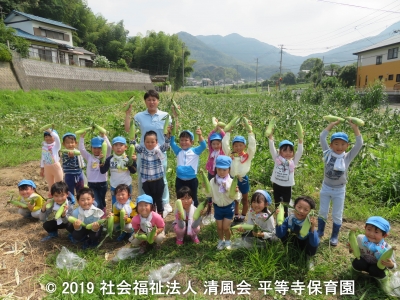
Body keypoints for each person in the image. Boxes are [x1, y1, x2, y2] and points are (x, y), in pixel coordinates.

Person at [124, 90, 172, 218]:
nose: (151, 102)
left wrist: (175, 115)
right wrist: (128, 114)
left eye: (154, 99)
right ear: (145, 101)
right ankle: (143, 200)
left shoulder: (165, 115)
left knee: (162, 178)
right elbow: (129, 129)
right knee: (142, 176)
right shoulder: (139, 116)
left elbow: (171, 130)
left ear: (158, 101)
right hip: (144, 152)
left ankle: (165, 202)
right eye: (149, 100)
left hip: (160, 151)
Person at [318, 120, 363, 246]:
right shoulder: (327, 153)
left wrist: (355, 128)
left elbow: (359, 143)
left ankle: (334, 236)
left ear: (347, 146)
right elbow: (322, 136)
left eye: (343, 144)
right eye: (336, 143)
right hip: (326, 187)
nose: (339, 146)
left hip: (339, 190)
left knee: (337, 214)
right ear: (331, 145)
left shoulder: (347, 157)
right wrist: (331, 125)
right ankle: (320, 231)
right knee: (322, 211)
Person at [222, 120, 256, 224]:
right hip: (232, 179)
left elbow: (252, 146)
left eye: (241, 145)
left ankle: (243, 216)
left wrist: (250, 132)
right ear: (233, 147)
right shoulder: (230, 155)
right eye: (236, 145)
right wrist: (228, 132)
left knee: (245, 199)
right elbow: (224, 144)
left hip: (243, 179)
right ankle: (236, 216)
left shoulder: (247, 156)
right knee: (235, 198)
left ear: (244, 146)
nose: (238, 147)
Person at [268, 128, 304, 217]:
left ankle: (285, 220)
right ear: (280, 152)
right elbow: (271, 148)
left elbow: (300, 151)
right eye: (285, 151)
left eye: (290, 151)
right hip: (276, 185)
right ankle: (278, 222)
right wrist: (270, 136)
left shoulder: (293, 162)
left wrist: (300, 140)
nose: (288, 153)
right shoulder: (277, 159)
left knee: (286, 205)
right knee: (277, 204)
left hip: (287, 187)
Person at [134, 130, 170, 216]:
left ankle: (160, 218)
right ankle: (152, 217)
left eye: (152, 142)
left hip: (158, 180)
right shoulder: (142, 150)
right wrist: (133, 136)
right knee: (150, 200)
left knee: (159, 200)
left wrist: (167, 137)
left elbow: (166, 146)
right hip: (147, 182)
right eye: (147, 142)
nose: (150, 144)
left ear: (156, 142)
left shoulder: (159, 150)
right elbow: (134, 145)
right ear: (144, 142)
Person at [170, 128, 206, 207]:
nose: (183, 142)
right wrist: (172, 132)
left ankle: (194, 215)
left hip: (192, 180)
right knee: (180, 198)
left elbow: (203, 146)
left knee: (193, 198)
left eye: (186, 140)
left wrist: (200, 135)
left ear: (191, 142)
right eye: (181, 140)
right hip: (180, 180)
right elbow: (172, 143)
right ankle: (181, 215)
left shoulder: (195, 151)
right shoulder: (178, 151)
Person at [207, 155, 236, 250]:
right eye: (219, 169)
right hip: (218, 207)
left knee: (226, 227)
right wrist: (205, 188)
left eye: (224, 170)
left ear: (229, 169)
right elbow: (209, 193)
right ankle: (221, 240)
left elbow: (236, 196)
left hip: (229, 207)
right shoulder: (212, 181)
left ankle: (228, 241)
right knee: (219, 227)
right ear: (216, 169)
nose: (222, 172)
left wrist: (235, 191)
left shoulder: (231, 182)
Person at [79, 132, 111, 215]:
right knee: (97, 202)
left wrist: (104, 137)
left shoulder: (105, 157)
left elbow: (109, 147)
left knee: (102, 200)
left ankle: (103, 213)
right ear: (91, 148)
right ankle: (98, 216)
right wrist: (82, 138)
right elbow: (82, 150)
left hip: (102, 183)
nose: (97, 150)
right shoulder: (89, 157)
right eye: (94, 148)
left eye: (99, 148)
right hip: (92, 183)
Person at [100, 136, 136, 206]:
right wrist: (101, 161)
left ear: (126, 147)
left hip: (126, 185)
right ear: (112, 148)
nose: (118, 147)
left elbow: (133, 171)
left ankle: (128, 216)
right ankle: (116, 216)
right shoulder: (110, 159)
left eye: (121, 145)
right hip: (114, 186)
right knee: (115, 204)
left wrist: (133, 162)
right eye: (116, 145)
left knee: (128, 204)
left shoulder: (128, 158)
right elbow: (103, 171)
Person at [205, 125, 225, 210]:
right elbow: (209, 137)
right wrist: (215, 129)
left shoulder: (222, 151)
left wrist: (220, 129)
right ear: (211, 144)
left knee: (219, 187)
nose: (216, 146)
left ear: (221, 144)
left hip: (220, 173)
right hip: (211, 172)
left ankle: (220, 202)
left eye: (218, 144)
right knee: (210, 187)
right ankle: (210, 203)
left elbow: (224, 136)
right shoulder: (211, 150)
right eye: (213, 144)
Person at [61, 133, 85, 200]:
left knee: (80, 192)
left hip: (79, 175)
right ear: (63, 144)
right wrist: (71, 158)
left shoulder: (78, 152)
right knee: (69, 193)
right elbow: (70, 165)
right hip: (69, 176)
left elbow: (82, 164)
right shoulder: (65, 154)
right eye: (67, 143)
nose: (70, 145)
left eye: (72, 142)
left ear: (75, 143)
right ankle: (70, 206)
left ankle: (82, 205)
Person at [40, 129, 63, 197]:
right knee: (50, 185)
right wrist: (42, 169)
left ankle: (61, 197)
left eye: (50, 136)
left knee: (59, 184)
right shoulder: (44, 147)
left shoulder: (56, 146)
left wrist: (50, 131)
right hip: (47, 167)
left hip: (55, 167)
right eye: (46, 137)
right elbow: (42, 158)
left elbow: (57, 137)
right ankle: (52, 199)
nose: (48, 138)